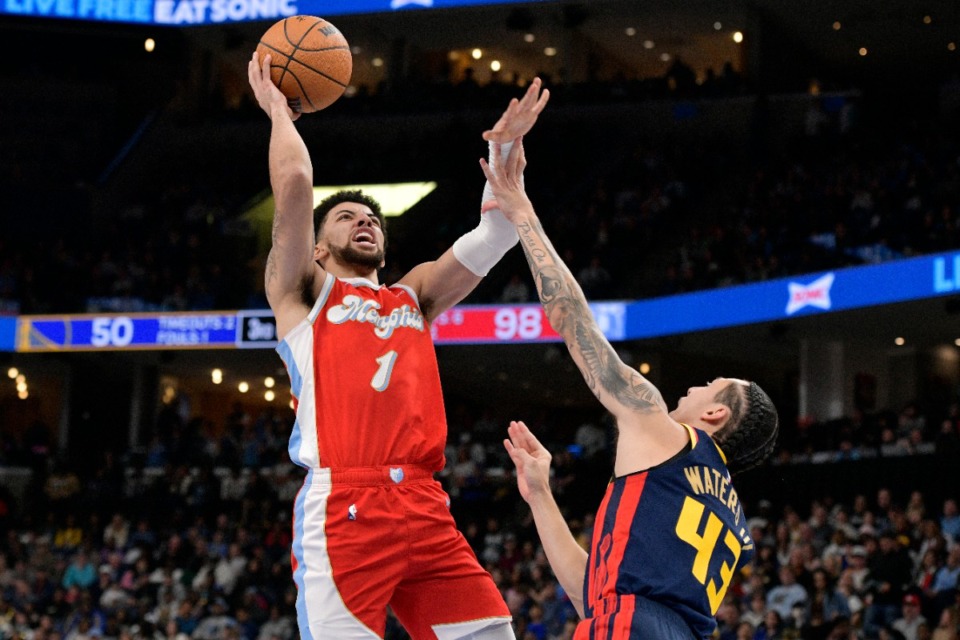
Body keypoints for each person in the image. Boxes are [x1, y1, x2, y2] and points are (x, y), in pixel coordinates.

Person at [247, 52, 549, 639]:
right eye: (346, 217)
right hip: (345, 507)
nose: (364, 221)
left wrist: (503, 154)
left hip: (424, 502)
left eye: (373, 219)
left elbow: (498, 231)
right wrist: (280, 114)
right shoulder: (303, 293)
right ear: (316, 246)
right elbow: (294, 183)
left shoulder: (413, 296)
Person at [482, 139, 778, 639]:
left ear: (716, 416)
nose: (697, 385)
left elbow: (573, 320)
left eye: (712, 385)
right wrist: (539, 497)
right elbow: (592, 597)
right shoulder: (729, 514)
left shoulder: (666, 433)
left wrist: (522, 212)